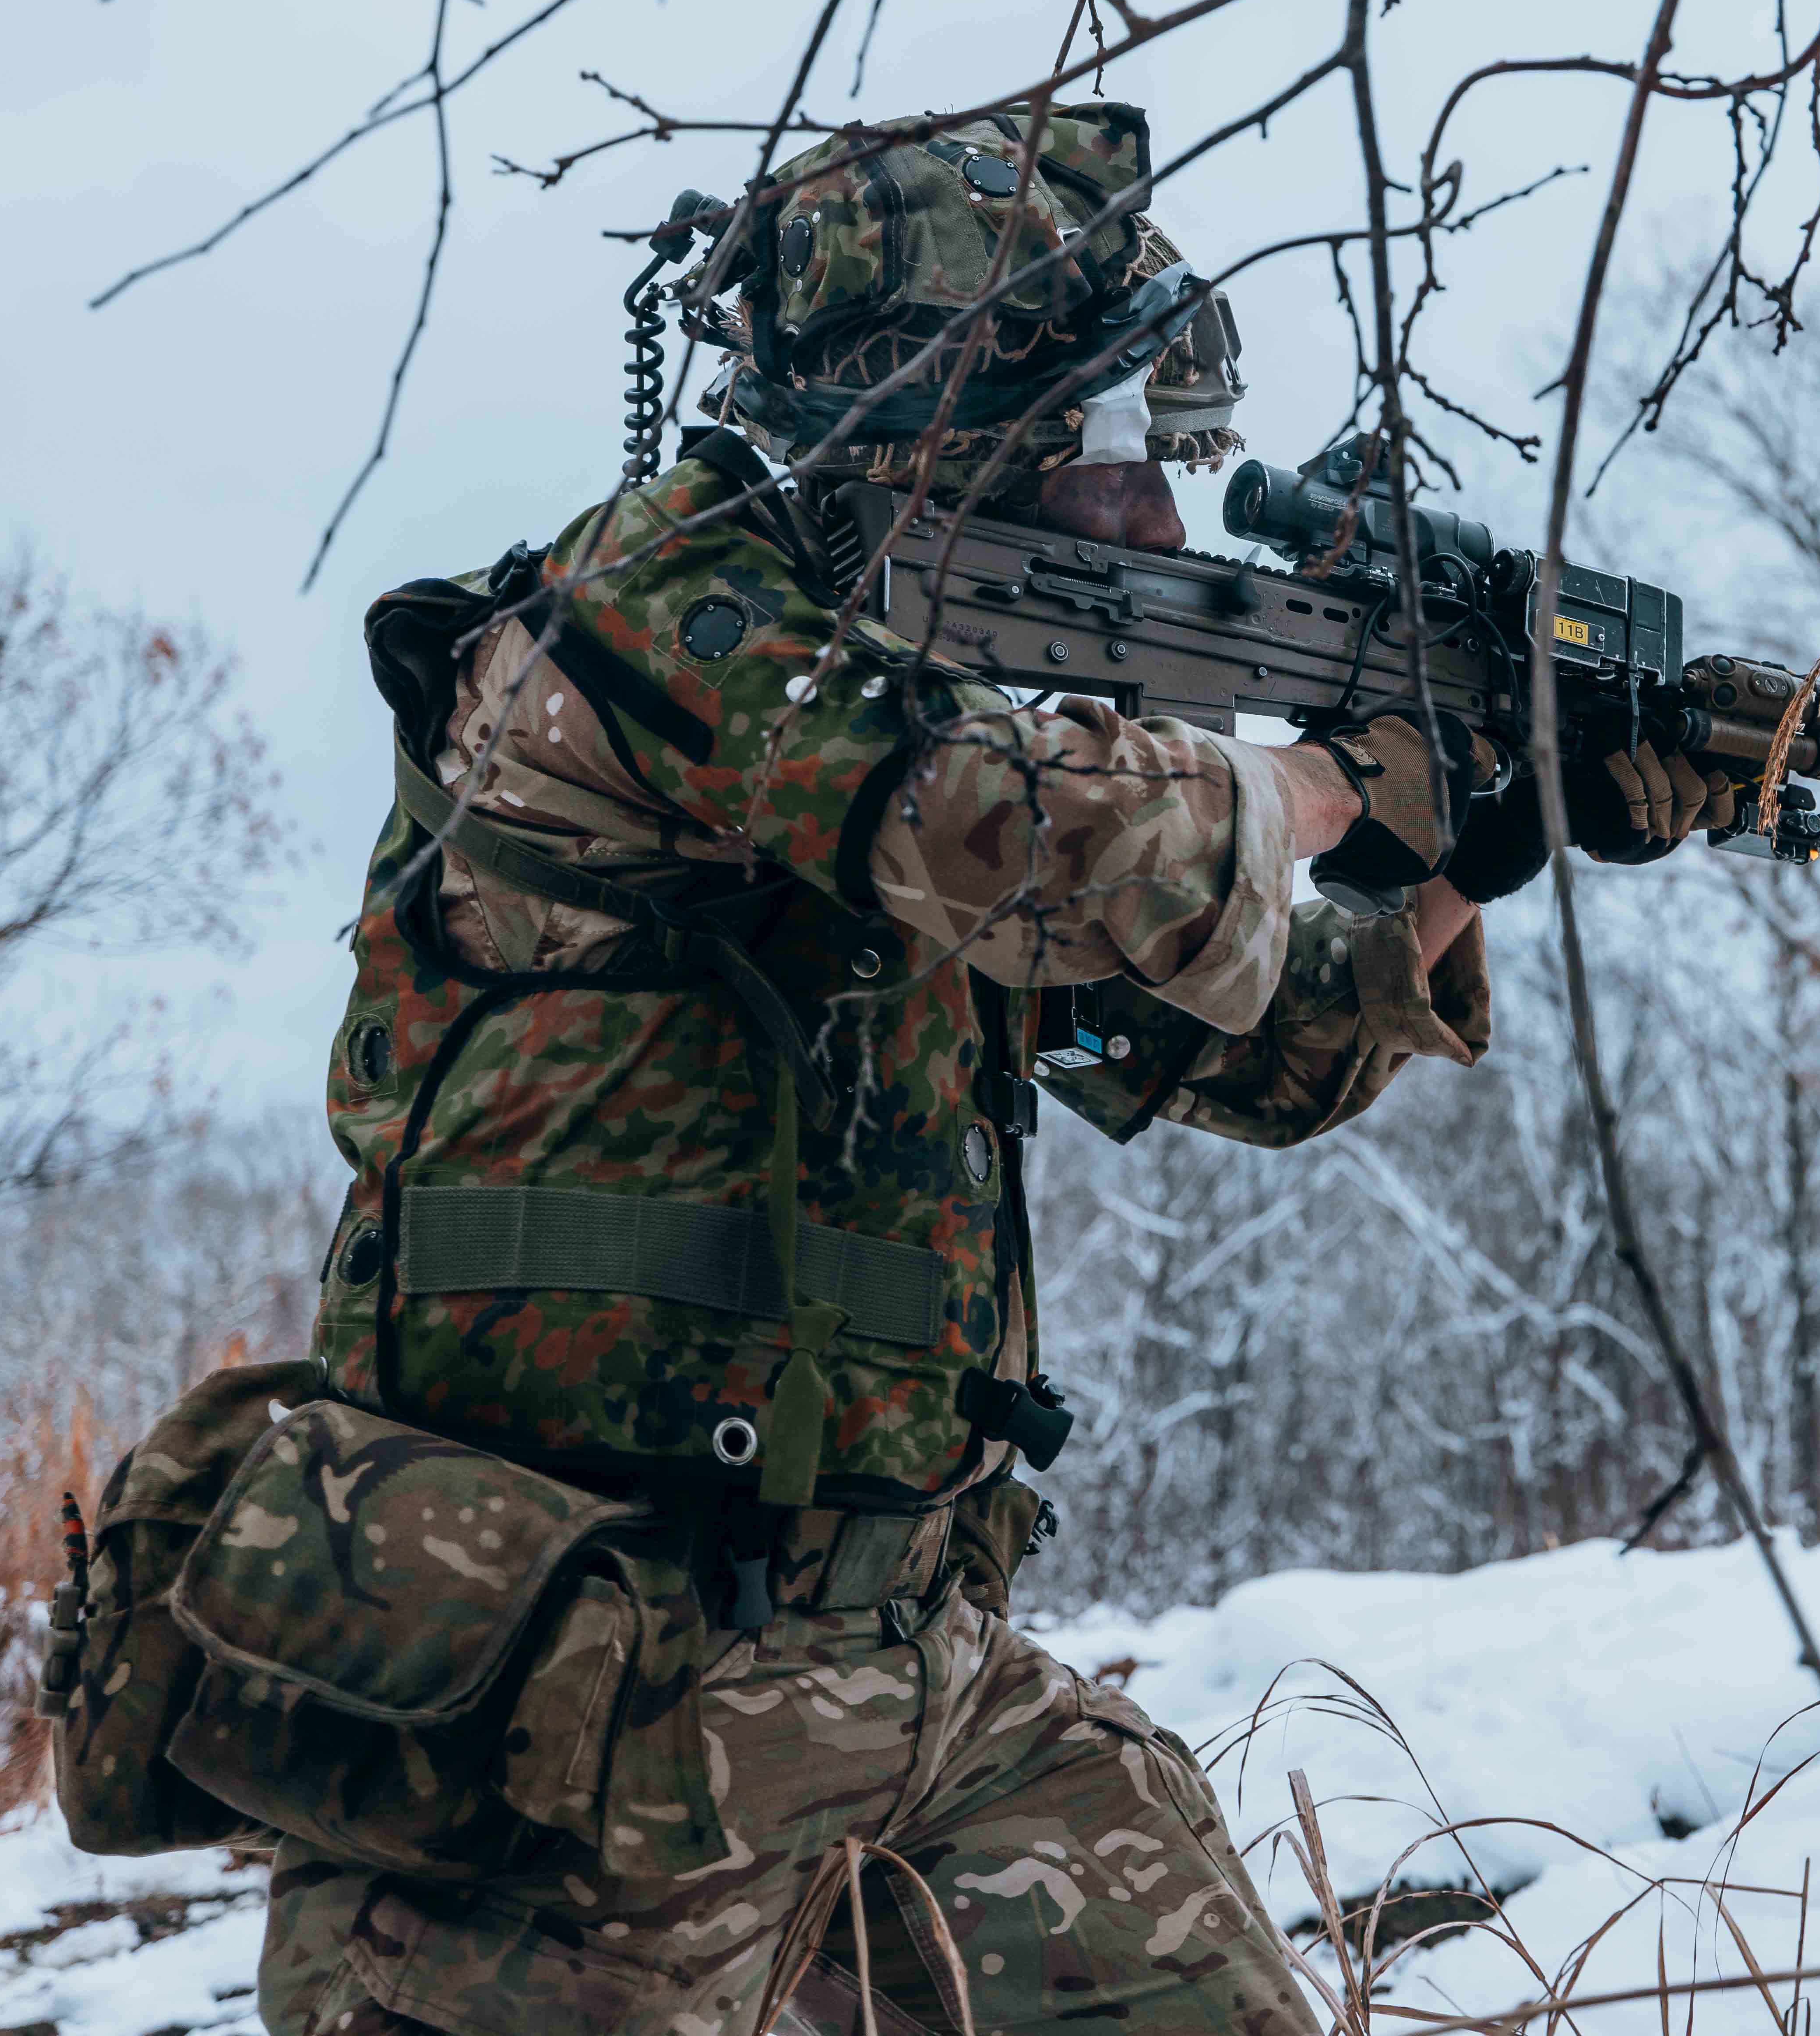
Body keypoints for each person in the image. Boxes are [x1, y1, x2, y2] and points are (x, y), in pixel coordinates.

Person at [252, 107, 1731, 2036]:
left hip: (908, 1681)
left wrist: (1469, 844)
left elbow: (1256, 1046)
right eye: (1113, 451)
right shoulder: (649, 610)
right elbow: (1019, 830)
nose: (1156, 519)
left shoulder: (912, 732)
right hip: (577, 1722)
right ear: (937, 429)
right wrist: (1321, 778)